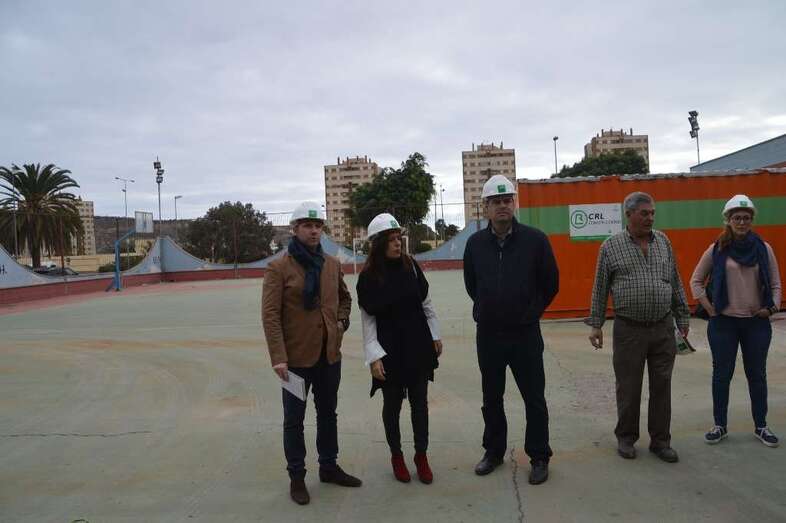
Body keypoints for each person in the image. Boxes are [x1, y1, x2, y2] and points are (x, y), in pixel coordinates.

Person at [261, 201, 361, 506]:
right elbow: (270, 315)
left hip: (329, 355)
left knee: (328, 414)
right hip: (294, 360)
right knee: (294, 420)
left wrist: (341, 323)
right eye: (307, 225)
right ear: (295, 229)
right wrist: (278, 356)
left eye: (318, 225)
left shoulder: (331, 264)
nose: (314, 230)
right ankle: (297, 477)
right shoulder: (278, 268)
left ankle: (329, 467)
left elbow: (345, 299)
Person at [463, 174, 559, 485]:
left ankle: (539, 456)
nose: (503, 206)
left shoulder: (535, 240)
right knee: (491, 396)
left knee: (534, 397)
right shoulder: (475, 244)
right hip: (489, 334)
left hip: (525, 334)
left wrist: (531, 312)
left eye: (507, 200)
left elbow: (550, 283)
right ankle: (493, 451)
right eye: (496, 202)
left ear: (513, 203)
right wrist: (487, 308)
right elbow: (471, 284)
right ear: (486, 207)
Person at [587, 191, 690, 463]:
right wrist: (596, 325)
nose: (650, 218)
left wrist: (683, 318)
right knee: (629, 387)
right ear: (629, 214)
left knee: (662, 386)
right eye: (644, 213)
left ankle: (661, 441)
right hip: (628, 330)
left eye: (652, 213)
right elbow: (600, 288)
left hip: (662, 328)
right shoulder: (610, 246)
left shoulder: (663, 242)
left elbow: (675, 281)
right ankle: (626, 437)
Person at [356, 213, 443, 484]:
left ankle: (421, 456)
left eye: (398, 239)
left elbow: (426, 304)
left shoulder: (412, 267)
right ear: (378, 244)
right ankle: (397, 456)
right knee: (392, 407)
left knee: (420, 405)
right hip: (389, 351)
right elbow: (368, 322)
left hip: (417, 346)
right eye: (391, 240)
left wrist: (435, 335)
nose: (397, 244)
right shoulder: (368, 278)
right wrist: (374, 357)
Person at [690, 194, 781, 447]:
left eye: (746, 218)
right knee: (722, 374)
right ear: (728, 220)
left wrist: (771, 308)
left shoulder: (764, 249)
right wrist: (710, 309)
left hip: (756, 323)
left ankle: (761, 426)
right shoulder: (717, 248)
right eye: (737, 218)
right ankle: (720, 425)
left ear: (752, 220)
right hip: (724, 324)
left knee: (757, 375)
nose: (742, 222)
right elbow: (695, 280)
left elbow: (775, 283)